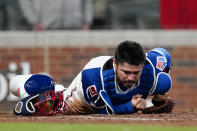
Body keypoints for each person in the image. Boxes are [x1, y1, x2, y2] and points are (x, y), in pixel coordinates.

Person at [9, 40, 173, 116]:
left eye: (135, 73)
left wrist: (155, 100)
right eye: (126, 72)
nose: (131, 78)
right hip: (78, 102)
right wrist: (132, 106)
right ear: (115, 63)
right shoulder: (93, 76)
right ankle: (31, 87)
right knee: (43, 91)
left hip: (111, 99)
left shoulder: (151, 72)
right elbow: (106, 112)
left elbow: (162, 55)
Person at [18, 0, 93, 30]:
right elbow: (25, 2)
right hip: (45, 27)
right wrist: (34, 21)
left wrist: (86, 21)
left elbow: (87, 2)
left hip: (76, 27)